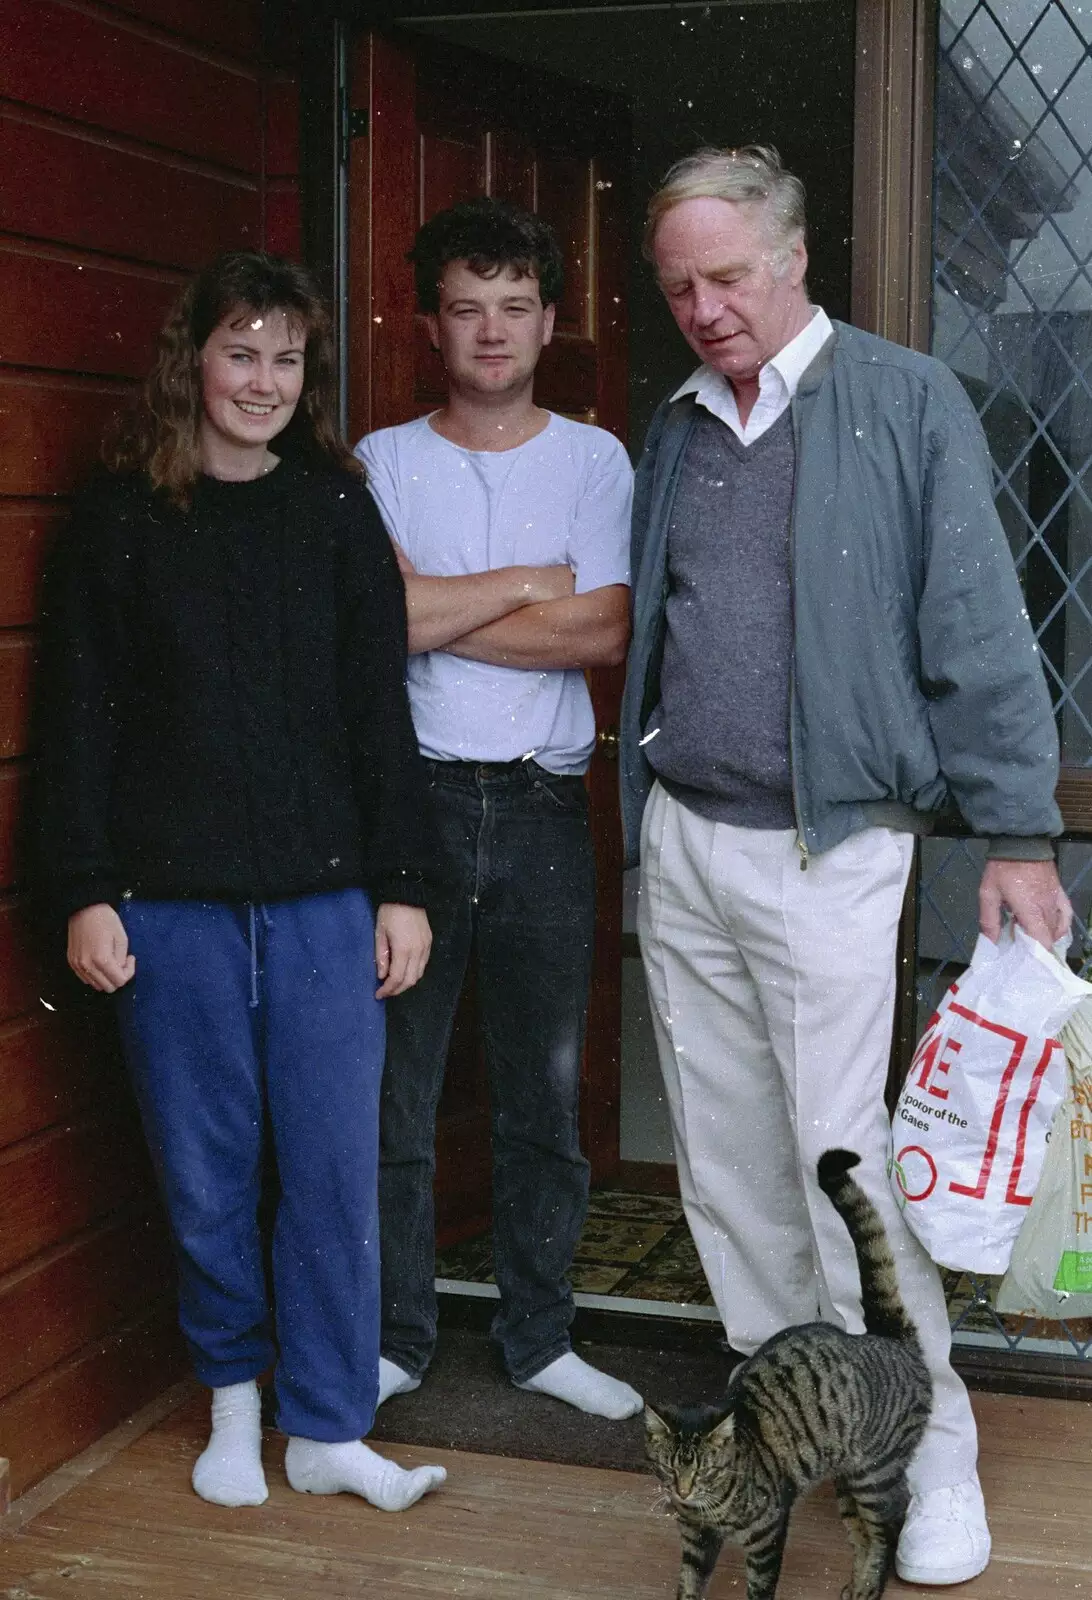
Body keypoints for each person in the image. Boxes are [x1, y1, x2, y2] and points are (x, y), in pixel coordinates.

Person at [620, 146, 1069, 1586]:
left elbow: (985, 633)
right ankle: (793, 1436)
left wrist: (1017, 835)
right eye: (678, 284)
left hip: (832, 850)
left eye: (728, 276)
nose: (702, 308)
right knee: (729, 1173)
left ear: (797, 257)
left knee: (837, 1173)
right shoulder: (677, 429)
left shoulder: (902, 399)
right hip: (686, 837)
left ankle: (932, 1459)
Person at [36, 251, 446, 1514]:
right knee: (207, 1163)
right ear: (193, 360)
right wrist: (83, 888)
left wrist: (404, 883)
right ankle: (230, 1400)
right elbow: (75, 723)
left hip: (325, 903)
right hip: (169, 907)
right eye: (242, 352)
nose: (265, 380)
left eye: (288, 357)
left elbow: (380, 713)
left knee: (331, 1164)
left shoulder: (331, 510)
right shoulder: (119, 517)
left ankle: (327, 1425)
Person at [356, 198, 640, 1420]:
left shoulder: (594, 459)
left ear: (549, 322)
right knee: (396, 1099)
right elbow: (380, 630)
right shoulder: (380, 461)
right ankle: (395, 1340)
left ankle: (541, 1339)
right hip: (410, 809)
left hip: (538, 807)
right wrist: (531, 583)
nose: (490, 331)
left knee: (543, 1096)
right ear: (430, 323)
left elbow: (607, 628)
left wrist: (445, 603)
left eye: (514, 306)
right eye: (465, 307)